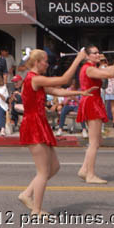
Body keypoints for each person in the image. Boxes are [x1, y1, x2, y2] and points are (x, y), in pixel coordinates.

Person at [17, 48, 93, 216]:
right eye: (45, 61)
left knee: (54, 167)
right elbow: (65, 79)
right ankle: (36, 210)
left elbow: (58, 91)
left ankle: (26, 194)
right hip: (33, 124)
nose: (47, 63)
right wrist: (79, 59)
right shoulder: (34, 78)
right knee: (43, 172)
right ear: (37, 63)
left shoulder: (38, 81)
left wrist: (79, 92)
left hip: (39, 123)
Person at [77, 45, 114, 184]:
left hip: (93, 101)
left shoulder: (92, 68)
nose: (98, 54)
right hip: (92, 103)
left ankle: (84, 169)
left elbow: (110, 70)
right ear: (87, 56)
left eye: (98, 52)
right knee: (94, 143)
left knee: (98, 141)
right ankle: (90, 175)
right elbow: (110, 74)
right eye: (94, 53)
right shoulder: (89, 68)